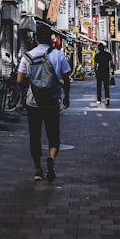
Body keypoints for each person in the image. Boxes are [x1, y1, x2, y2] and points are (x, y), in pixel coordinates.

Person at [17, 25, 72, 182]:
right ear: (51, 39)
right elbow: (66, 78)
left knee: (35, 135)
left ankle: (37, 169)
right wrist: (66, 97)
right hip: (52, 101)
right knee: (53, 134)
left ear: (36, 39)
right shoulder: (58, 55)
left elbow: (19, 80)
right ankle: (51, 160)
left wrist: (30, 84)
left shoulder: (27, 56)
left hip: (33, 102)